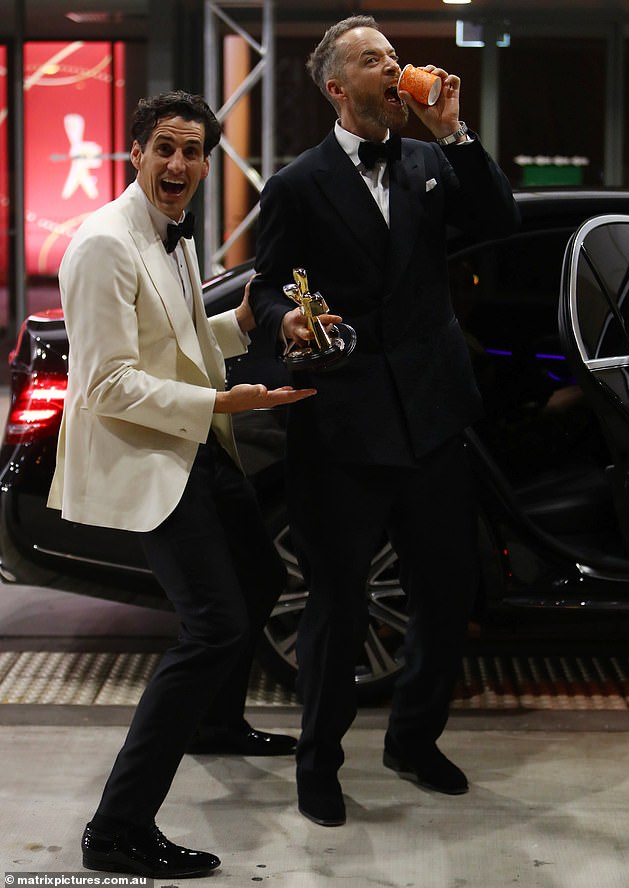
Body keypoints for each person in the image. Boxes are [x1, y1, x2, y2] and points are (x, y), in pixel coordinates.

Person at [249, 16, 520, 827]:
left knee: (446, 592)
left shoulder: (433, 163)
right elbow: (265, 287)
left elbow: (500, 223)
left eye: (395, 56)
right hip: (341, 426)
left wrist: (457, 132)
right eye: (375, 60)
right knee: (339, 605)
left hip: (434, 418)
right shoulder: (296, 184)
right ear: (339, 87)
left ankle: (413, 739)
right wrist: (283, 323)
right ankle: (318, 762)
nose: (395, 66)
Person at [47, 90, 316, 877]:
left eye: (192, 151)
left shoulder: (172, 234)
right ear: (135, 151)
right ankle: (118, 828)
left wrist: (273, 324)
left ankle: (216, 724)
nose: (178, 165)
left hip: (195, 442)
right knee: (212, 627)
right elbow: (107, 385)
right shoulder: (104, 243)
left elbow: (192, 333)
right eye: (164, 147)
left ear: (206, 161)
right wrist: (222, 400)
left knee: (262, 573)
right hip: (145, 454)